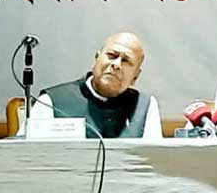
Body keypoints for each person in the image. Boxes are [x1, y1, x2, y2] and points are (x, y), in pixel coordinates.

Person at [30, 32, 162, 138]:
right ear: (96, 59)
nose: (116, 64)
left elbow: (153, 159)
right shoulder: (51, 102)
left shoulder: (145, 107)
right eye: (112, 55)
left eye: (126, 61)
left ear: (135, 76)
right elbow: (27, 157)